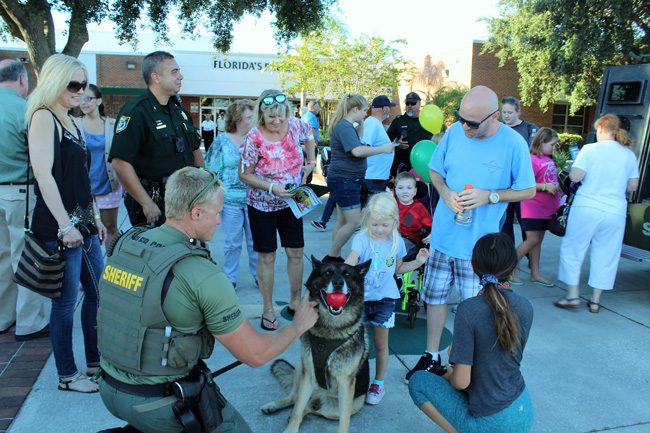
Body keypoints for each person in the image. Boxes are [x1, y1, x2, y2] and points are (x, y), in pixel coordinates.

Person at [97, 167, 319, 433]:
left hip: (108, 387)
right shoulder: (201, 274)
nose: (219, 221)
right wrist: (298, 325)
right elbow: (257, 354)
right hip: (158, 403)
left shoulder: (128, 244)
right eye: (217, 213)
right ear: (196, 213)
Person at [405, 86, 535, 383]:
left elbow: (527, 190)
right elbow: (435, 171)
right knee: (435, 298)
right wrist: (446, 192)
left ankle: (463, 370)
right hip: (442, 239)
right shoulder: (453, 133)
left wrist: (489, 196)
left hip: (478, 249)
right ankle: (431, 357)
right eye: (460, 118)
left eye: (472, 123)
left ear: (494, 116)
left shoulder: (513, 144)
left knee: (473, 312)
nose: (465, 126)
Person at [27, 54, 106, 393]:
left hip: (83, 224)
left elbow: (81, 179)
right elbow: (43, 175)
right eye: (74, 84)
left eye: (84, 84)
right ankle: (68, 375)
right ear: (55, 81)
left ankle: (95, 362)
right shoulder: (44, 117)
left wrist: (96, 218)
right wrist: (64, 226)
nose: (80, 91)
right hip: (60, 226)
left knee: (98, 293)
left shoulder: (71, 120)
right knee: (64, 303)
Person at [408, 232, 535, 433]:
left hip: (492, 423)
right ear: (513, 267)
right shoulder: (526, 306)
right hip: (523, 412)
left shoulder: (470, 309)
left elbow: (461, 382)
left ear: (473, 265)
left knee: (418, 381)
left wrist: (455, 362)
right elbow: (497, 360)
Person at [239, 89, 317, 330]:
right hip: (262, 205)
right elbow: (244, 175)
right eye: (271, 117)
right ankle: (268, 307)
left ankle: (295, 301)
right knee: (267, 256)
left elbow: (310, 135)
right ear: (262, 114)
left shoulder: (295, 125)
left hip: (292, 202)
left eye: (281, 116)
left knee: (296, 252)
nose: (277, 121)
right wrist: (272, 188)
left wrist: (311, 161)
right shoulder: (254, 138)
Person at [345, 192, 429, 405]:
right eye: (375, 225)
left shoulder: (397, 242)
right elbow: (350, 262)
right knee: (358, 344)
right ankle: (354, 379)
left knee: (381, 345)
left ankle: (378, 383)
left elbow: (399, 269)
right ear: (367, 221)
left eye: (384, 225)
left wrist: (418, 262)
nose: (380, 229)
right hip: (361, 300)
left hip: (384, 301)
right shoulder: (362, 239)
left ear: (394, 221)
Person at [555, 114, 639, 313]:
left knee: (574, 249)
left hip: (587, 206)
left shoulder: (589, 149)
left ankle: (573, 295)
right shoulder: (628, 154)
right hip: (615, 209)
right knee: (607, 253)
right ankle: (595, 300)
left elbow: (576, 176)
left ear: (601, 128)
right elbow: (633, 186)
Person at [110, 51, 203, 227]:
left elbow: (194, 147)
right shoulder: (136, 111)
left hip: (185, 200)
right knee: (158, 253)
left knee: (186, 251)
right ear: (156, 77)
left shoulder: (179, 110)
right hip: (155, 204)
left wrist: (203, 186)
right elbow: (120, 163)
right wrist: (146, 203)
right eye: (174, 72)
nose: (180, 76)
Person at [0, 59, 50, 341]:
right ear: (21, 80)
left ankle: (4, 316)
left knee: (2, 257)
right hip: (20, 191)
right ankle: (30, 322)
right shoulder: (25, 110)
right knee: (25, 258)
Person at [324, 93, 398, 262]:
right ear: (355, 109)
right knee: (354, 222)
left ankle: (334, 255)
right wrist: (384, 148)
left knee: (343, 220)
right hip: (345, 180)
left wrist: (362, 123)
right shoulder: (344, 127)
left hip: (346, 179)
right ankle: (332, 256)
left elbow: (360, 140)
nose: (366, 114)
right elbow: (357, 151)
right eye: (364, 111)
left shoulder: (348, 126)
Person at [205, 99, 258, 289]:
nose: (253, 120)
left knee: (256, 243)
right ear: (237, 118)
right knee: (232, 243)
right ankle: (230, 278)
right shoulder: (222, 141)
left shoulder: (257, 139)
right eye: (249, 117)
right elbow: (211, 171)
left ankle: (259, 276)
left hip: (254, 201)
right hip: (230, 202)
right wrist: (215, 201)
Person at [74, 84, 122, 249]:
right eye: (80, 99)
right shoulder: (73, 124)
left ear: (99, 100)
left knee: (111, 229)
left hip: (108, 185)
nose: (84, 103)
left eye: (88, 98)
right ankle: (93, 268)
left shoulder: (112, 125)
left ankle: (111, 265)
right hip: (83, 187)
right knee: (87, 230)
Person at [514, 127, 561, 286]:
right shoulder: (532, 159)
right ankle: (509, 269)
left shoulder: (548, 159)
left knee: (537, 241)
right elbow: (523, 184)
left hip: (546, 209)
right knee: (531, 240)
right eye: (552, 144)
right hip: (533, 208)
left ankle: (535, 273)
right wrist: (545, 187)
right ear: (541, 142)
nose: (554, 147)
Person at [500, 96, 539, 249]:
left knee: (525, 222)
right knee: (504, 223)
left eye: (510, 112)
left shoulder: (529, 128)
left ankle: (528, 254)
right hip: (502, 184)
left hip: (522, 184)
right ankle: (507, 256)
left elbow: (533, 154)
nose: (506, 116)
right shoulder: (498, 129)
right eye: (504, 112)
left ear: (518, 112)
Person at [386, 92, 433, 177]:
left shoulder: (428, 120)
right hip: (403, 166)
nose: (410, 106)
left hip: (424, 165)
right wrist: (397, 143)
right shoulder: (398, 121)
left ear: (419, 103)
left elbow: (436, 139)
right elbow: (387, 139)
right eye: (407, 103)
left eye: (413, 103)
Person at [364, 95, 396, 194]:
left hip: (376, 178)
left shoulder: (375, 123)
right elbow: (364, 148)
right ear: (385, 108)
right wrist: (385, 148)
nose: (390, 110)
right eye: (389, 107)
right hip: (372, 178)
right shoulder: (373, 123)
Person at [394, 171, 432, 254]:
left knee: (399, 247)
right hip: (391, 236)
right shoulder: (392, 204)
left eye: (409, 188)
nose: (405, 191)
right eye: (400, 188)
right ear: (395, 190)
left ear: (415, 191)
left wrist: (430, 234)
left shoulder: (419, 207)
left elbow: (429, 226)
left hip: (410, 241)